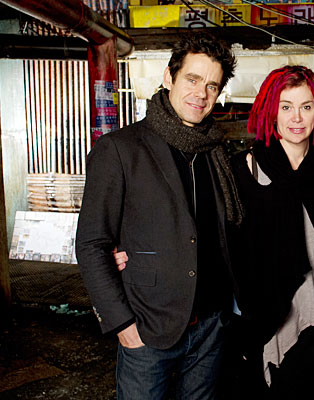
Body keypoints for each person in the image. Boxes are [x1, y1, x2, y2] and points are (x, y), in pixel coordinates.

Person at [75, 31, 242, 399]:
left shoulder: (215, 152)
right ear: (169, 77)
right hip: (148, 330)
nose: (201, 94)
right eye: (192, 79)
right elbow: (91, 244)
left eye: (212, 86)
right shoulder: (120, 149)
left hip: (211, 327)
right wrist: (122, 324)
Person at [229, 65, 314, 400]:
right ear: (271, 111)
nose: (297, 117)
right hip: (265, 316)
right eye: (286, 106)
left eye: (306, 107)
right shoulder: (244, 169)